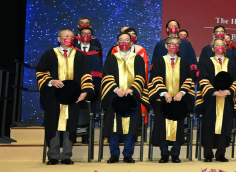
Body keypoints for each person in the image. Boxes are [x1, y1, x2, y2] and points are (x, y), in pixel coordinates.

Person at [36, 28, 94, 164]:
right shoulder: (49, 54)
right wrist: (51, 81)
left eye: (71, 36)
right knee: (53, 124)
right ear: (59, 39)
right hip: (53, 96)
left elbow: (86, 75)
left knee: (71, 124)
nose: (69, 38)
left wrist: (85, 92)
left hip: (73, 97)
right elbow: (41, 72)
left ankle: (67, 155)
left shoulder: (80, 56)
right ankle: (53, 155)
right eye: (66, 36)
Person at [101, 33, 148, 163]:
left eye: (127, 40)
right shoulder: (111, 59)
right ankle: (114, 154)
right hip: (115, 97)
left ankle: (128, 154)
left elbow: (141, 77)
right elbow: (106, 76)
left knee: (132, 127)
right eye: (121, 40)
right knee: (114, 126)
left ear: (131, 42)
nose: (124, 42)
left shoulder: (138, 59)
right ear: (117, 43)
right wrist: (116, 89)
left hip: (132, 97)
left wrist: (131, 89)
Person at [149, 36, 195, 163]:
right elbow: (155, 78)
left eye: (176, 44)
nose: (173, 46)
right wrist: (164, 93)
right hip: (163, 99)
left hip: (179, 100)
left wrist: (181, 93)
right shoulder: (159, 61)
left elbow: (189, 79)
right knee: (161, 125)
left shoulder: (184, 62)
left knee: (178, 125)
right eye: (171, 43)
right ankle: (164, 153)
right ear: (166, 46)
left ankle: (176, 153)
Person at [196, 37, 236, 162]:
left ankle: (221, 154)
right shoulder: (205, 62)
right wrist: (214, 92)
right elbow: (203, 80)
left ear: (226, 48)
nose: (219, 47)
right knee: (209, 125)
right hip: (210, 99)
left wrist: (229, 91)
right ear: (212, 48)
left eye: (222, 45)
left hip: (226, 99)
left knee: (224, 125)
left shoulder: (231, 63)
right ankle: (208, 154)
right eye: (217, 45)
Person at [75, 26, 103, 131]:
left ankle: (88, 132)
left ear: (92, 37)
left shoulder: (96, 51)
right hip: (76, 85)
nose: (86, 35)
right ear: (79, 36)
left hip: (92, 84)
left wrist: (92, 85)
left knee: (90, 109)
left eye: (88, 33)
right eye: (83, 33)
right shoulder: (73, 49)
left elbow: (98, 70)